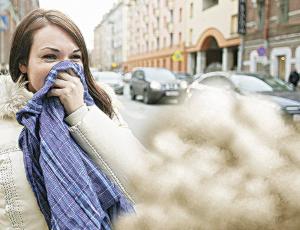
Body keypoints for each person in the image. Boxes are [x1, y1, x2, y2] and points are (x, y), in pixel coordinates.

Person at [0, 9, 146, 229]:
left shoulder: (103, 110)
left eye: (75, 57)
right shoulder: (5, 121)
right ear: (23, 64)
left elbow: (143, 182)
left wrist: (80, 114)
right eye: (50, 56)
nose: (64, 68)